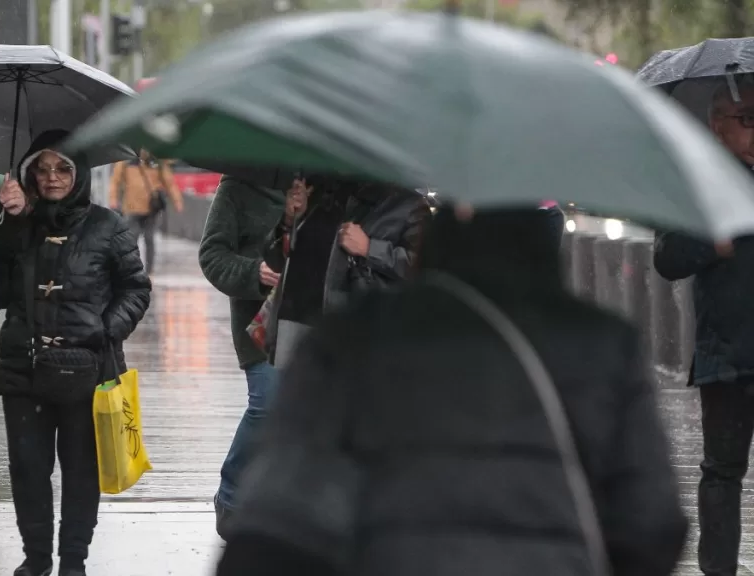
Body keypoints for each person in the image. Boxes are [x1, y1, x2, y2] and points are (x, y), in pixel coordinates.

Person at [219, 206, 688, 576]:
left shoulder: (352, 337)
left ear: (430, 248)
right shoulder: (604, 345)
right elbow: (654, 526)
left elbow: (277, 526)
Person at [0, 130, 151, 576]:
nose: (52, 178)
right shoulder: (16, 222)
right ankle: (35, 559)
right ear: (30, 172)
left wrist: (105, 329)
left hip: (87, 370)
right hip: (24, 367)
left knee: (81, 473)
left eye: (63, 168)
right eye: (43, 168)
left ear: (80, 173)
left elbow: (135, 288)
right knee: (28, 472)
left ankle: (74, 560)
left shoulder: (108, 226)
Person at [654, 81, 754, 576]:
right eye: (747, 120)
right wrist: (712, 243)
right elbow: (667, 258)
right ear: (717, 125)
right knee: (721, 472)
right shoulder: (697, 184)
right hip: (727, 355)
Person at [262, 177, 431, 367]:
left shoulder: (409, 206)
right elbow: (274, 260)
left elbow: (426, 270)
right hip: (294, 322)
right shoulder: (317, 193)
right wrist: (288, 221)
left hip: (356, 333)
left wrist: (370, 249)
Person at [197, 175, 284, 537]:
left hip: (318, 319)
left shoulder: (326, 183)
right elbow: (212, 255)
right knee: (267, 402)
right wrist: (255, 271)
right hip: (260, 325)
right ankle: (231, 494)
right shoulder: (238, 185)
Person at [108, 150, 183, 273]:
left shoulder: (156, 161)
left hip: (151, 207)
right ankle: (131, 267)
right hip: (132, 207)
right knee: (132, 238)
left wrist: (177, 201)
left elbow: (169, 182)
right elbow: (115, 181)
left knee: (149, 238)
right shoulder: (127, 161)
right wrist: (113, 198)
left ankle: (149, 269)